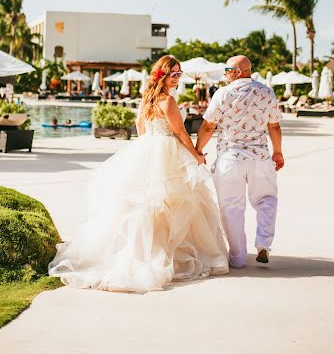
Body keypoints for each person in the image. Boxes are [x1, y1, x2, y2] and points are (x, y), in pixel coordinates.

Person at [49, 55, 228, 292]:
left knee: (150, 205)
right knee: (169, 203)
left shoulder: (147, 100)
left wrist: (148, 149)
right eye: (174, 74)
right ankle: (162, 253)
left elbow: (140, 130)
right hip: (166, 150)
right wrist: (197, 155)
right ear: (163, 75)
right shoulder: (168, 102)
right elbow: (181, 134)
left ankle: (146, 249)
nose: (177, 78)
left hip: (147, 148)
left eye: (179, 73)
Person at [196, 55, 284, 268]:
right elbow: (274, 126)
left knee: (231, 208)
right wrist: (278, 152)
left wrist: (198, 150)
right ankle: (263, 243)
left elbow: (208, 126)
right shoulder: (266, 92)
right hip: (260, 159)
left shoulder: (223, 94)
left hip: (230, 159)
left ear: (238, 71)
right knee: (267, 200)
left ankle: (238, 257)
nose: (225, 74)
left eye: (227, 69)